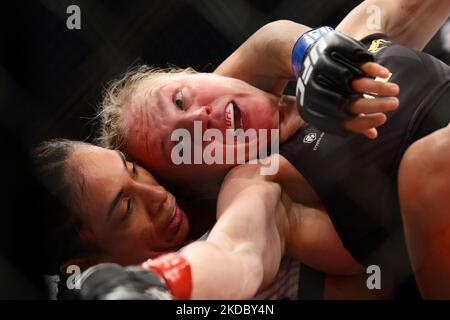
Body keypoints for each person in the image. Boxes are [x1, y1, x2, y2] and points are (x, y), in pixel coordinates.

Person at [95, 0, 450, 298]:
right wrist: (163, 282)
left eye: (179, 99)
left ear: (196, 72)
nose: (198, 118)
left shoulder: (347, 42)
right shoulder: (265, 181)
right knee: (427, 165)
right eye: (180, 144)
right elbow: (235, 251)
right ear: (197, 181)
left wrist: (308, 46)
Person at [33, 139, 373, 300]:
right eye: (126, 209)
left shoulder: (185, 156)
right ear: (85, 265)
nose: (156, 195)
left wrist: (301, 47)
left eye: (133, 169)